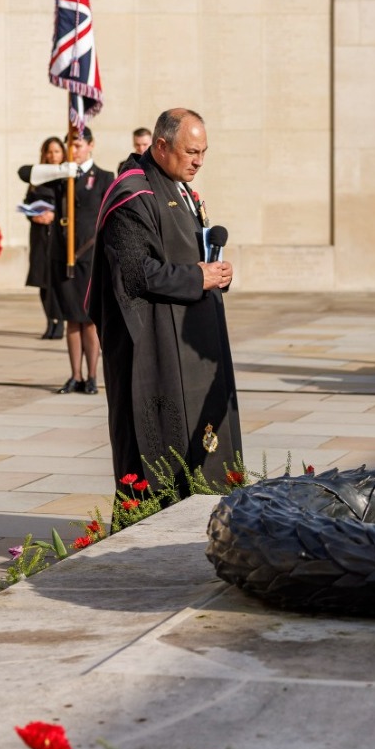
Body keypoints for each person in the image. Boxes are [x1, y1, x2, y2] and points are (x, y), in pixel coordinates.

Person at [89, 107, 241, 497]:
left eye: (204, 151)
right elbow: (136, 273)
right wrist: (197, 277)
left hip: (190, 348)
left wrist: (216, 273)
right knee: (159, 456)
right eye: (191, 152)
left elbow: (188, 252)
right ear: (160, 145)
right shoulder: (131, 194)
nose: (199, 161)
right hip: (152, 350)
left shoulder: (181, 188)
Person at [47, 127, 111, 394]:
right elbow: (27, 179)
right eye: (70, 145)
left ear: (91, 145)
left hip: (91, 255)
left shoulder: (105, 177)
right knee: (71, 318)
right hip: (65, 255)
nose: (74, 150)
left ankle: (93, 376)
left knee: (90, 319)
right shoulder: (61, 177)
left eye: (79, 144)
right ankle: (75, 375)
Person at [20, 136, 67, 339]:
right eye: (49, 152)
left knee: (57, 281)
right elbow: (27, 201)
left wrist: (54, 215)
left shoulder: (67, 176)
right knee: (42, 280)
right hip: (40, 235)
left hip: (58, 234)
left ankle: (60, 322)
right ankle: (49, 321)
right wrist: (33, 214)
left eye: (56, 151)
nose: (53, 155)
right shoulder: (37, 177)